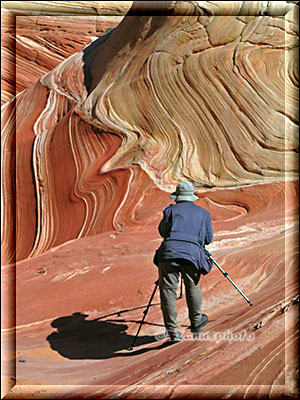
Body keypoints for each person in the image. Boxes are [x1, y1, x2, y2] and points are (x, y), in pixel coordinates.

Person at [154, 181, 213, 343]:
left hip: (170, 252)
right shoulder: (203, 213)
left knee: (168, 291)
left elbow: (163, 232)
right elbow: (208, 239)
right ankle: (196, 320)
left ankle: (173, 333)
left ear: (177, 197)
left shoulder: (170, 211)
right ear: (191, 196)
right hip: (192, 254)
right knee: (192, 285)